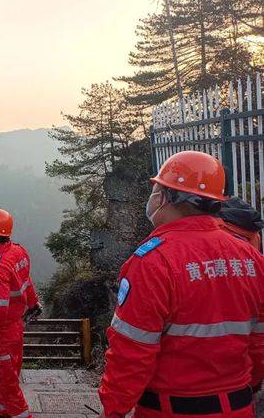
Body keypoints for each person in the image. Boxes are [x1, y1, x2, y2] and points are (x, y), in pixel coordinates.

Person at [98, 150, 264, 418]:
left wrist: (113, 410)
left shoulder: (154, 262)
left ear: (166, 197)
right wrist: (250, 385)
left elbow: (131, 353)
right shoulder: (251, 258)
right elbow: (258, 342)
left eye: (157, 191)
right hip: (238, 407)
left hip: (169, 409)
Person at [0, 208, 41, 418]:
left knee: (6, 381)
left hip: (1, 331)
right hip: (14, 326)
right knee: (2, 375)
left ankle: (20, 414)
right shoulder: (18, 252)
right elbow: (26, 282)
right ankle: (1, 412)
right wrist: (33, 303)